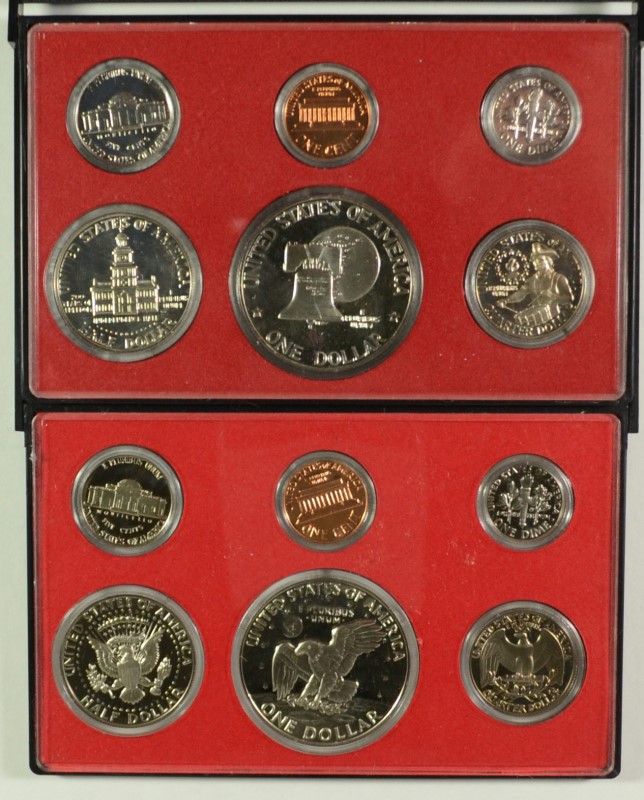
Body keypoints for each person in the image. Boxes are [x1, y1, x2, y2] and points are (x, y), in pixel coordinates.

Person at [498, 242, 573, 327]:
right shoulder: (532, 280)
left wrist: (553, 296)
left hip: (553, 318)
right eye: (535, 261)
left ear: (549, 261)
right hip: (534, 319)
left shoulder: (559, 278)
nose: (537, 263)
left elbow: (569, 298)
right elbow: (520, 294)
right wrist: (506, 300)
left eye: (541, 260)